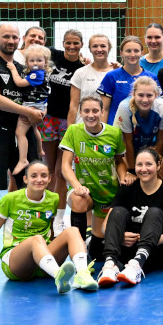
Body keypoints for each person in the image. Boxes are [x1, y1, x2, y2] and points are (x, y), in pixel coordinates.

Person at [0, 161, 98, 293]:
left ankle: (82, 274)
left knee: (73, 231)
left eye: (43, 176)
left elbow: (51, 228)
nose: (39, 179)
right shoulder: (11, 199)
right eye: (34, 176)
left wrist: (55, 248)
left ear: (49, 179)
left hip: (44, 262)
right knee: (36, 239)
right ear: (25, 179)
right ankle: (59, 275)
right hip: (17, 264)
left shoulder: (53, 199)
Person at [96, 148, 163, 287]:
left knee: (154, 212)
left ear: (158, 165)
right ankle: (110, 265)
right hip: (128, 250)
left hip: (158, 251)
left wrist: (161, 238)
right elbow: (104, 228)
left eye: (149, 164)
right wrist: (120, 237)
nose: (144, 169)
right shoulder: (127, 189)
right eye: (139, 164)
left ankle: (137, 265)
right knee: (118, 211)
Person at [61, 95, 129, 263]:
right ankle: (79, 250)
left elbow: (120, 161)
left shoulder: (114, 133)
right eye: (86, 111)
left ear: (102, 112)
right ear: (80, 112)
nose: (90, 115)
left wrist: (123, 178)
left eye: (95, 111)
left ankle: (92, 240)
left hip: (107, 192)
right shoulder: (73, 131)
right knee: (78, 199)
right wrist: (77, 186)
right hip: (85, 191)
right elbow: (65, 166)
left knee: (98, 255)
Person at [43, 29, 86, 235]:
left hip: (67, 121)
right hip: (48, 118)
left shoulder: (82, 68)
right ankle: (45, 216)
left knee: (62, 172)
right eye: (68, 43)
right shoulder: (53, 56)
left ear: (81, 45)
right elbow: (29, 52)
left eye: (76, 43)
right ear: (62, 43)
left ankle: (59, 218)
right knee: (48, 170)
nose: (72, 46)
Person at [114, 76, 163, 181]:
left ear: (156, 95)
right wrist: (131, 171)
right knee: (131, 181)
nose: (145, 100)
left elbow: (161, 140)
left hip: (152, 147)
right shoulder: (125, 107)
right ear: (133, 94)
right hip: (128, 150)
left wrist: (155, 164)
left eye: (149, 95)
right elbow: (127, 142)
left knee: (156, 177)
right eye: (140, 95)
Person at [7, 44, 52, 176]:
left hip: (33, 105)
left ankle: (23, 159)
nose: (35, 63)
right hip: (38, 104)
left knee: (20, 132)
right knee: (33, 128)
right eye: (32, 60)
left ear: (45, 62)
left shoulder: (36, 75)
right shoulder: (41, 73)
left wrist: (13, 69)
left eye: (39, 60)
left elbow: (19, 83)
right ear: (27, 62)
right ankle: (40, 150)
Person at [97, 36, 159, 125]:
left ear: (142, 53)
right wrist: (104, 130)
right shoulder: (111, 76)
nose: (132, 55)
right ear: (121, 53)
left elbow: (157, 107)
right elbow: (104, 109)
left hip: (143, 129)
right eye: (128, 51)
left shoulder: (151, 78)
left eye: (136, 51)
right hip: (116, 127)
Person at [67, 34, 115, 126]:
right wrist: (70, 130)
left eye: (103, 46)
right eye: (95, 46)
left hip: (108, 127)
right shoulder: (80, 73)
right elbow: (73, 106)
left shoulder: (116, 73)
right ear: (90, 49)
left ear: (109, 48)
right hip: (82, 127)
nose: (99, 49)